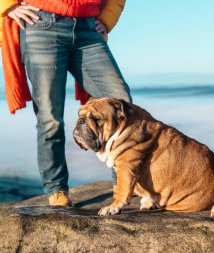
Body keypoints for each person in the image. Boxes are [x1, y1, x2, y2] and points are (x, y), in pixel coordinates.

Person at [0, 0, 132, 207]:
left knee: (120, 103)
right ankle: (56, 189)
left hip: (87, 29)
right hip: (40, 24)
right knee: (50, 118)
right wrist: (7, 5)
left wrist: (106, 20)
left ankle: (124, 184)